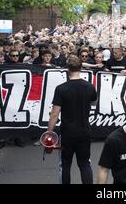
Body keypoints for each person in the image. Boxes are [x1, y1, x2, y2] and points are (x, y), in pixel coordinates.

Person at [47, 56, 97, 184]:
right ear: (81, 67)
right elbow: (94, 103)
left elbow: (54, 114)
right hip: (85, 131)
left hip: (67, 133)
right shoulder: (90, 87)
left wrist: (49, 133)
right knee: (85, 164)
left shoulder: (61, 88)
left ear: (67, 69)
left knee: (65, 165)